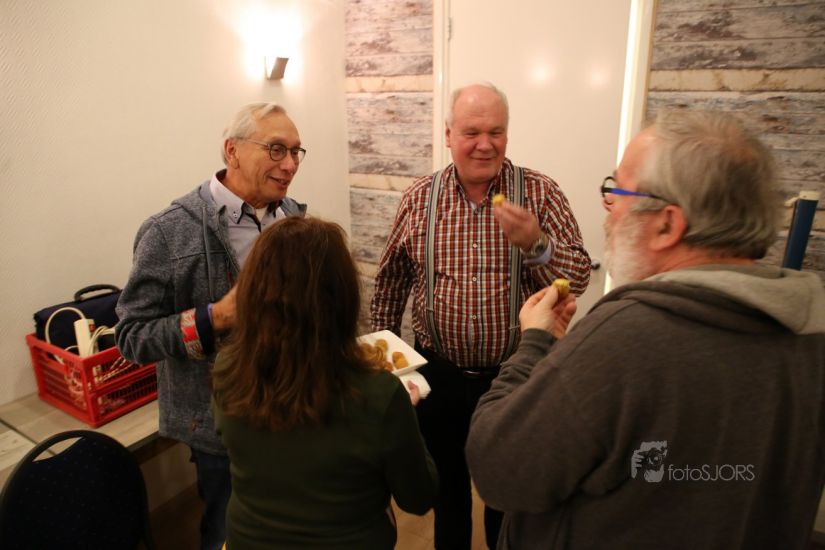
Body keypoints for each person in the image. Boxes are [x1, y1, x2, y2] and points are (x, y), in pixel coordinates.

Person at [465, 110, 825, 549]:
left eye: (617, 190)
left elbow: (499, 468)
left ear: (667, 224)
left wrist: (534, 344)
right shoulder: (811, 336)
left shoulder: (623, 340)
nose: (608, 207)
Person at [370, 82, 591, 549]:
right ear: (448, 134)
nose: (485, 144)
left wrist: (537, 244)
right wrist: (388, 362)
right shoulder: (419, 197)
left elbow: (578, 277)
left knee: (508, 495)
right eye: (472, 132)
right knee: (446, 491)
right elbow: (390, 282)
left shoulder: (540, 192)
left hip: (517, 377)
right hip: (439, 377)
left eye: (496, 132)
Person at [116, 102, 307, 550]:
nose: (290, 165)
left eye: (296, 151)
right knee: (228, 531)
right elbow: (132, 336)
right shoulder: (168, 232)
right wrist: (216, 317)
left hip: (295, 406)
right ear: (232, 150)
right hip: (222, 426)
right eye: (276, 149)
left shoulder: (291, 215)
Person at [211, 216, 438, 549]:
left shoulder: (227, 369)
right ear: (342, 298)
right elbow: (418, 497)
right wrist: (407, 416)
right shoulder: (380, 395)